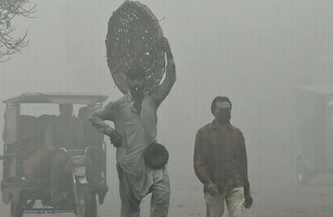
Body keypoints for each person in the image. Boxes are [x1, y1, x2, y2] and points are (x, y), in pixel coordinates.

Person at [89, 36, 176, 217]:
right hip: (128, 164)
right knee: (129, 210)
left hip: (153, 160)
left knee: (162, 197)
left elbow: (170, 80)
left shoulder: (153, 99)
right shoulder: (118, 105)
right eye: (133, 80)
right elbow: (94, 117)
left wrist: (168, 51)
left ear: (144, 81)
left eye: (139, 80)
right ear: (127, 81)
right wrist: (111, 132)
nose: (136, 84)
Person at [193, 96, 253, 217]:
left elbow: (243, 163)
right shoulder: (203, 133)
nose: (225, 113)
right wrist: (207, 182)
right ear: (213, 112)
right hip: (213, 186)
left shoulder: (237, 134)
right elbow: (198, 162)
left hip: (235, 184)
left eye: (228, 109)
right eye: (221, 110)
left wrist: (247, 189)